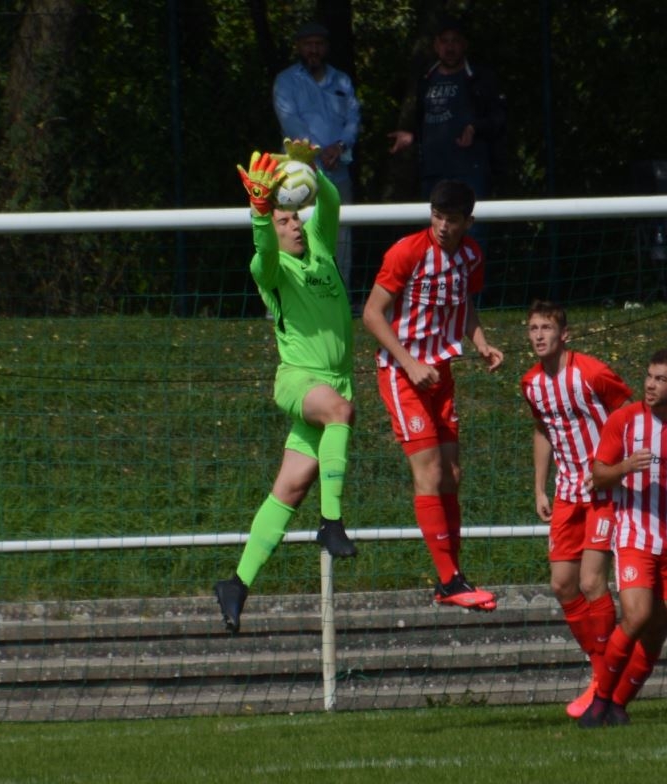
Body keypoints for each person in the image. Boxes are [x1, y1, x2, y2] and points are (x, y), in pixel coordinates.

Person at [215, 139, 359, 634]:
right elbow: (261, 247)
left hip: (335, 380)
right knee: (339, 412)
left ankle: (236, 583)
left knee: (290, 487)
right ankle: (331, 523)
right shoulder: (269, 268)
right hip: (299, 379)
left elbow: (331, 204)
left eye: (295, 217)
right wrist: (260, 213)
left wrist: (312, 169)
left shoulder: (319, 246)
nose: (294, 225)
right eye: (284, 221)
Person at [362, 179, 504, 610]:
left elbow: (464, 305)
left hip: (440, 373)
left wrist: (481, 342)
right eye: (437, 216)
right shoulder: (407, 251)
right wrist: (409, 363)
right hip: (402, 374)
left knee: (451, 475)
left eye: (452, 219)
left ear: (468, 222)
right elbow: (371, 314)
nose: (442, 226)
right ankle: (449, 581)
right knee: (428, 472)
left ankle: (452, 579)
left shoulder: (471, 255)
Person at [578, 348, 667, 728]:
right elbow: (598, 473)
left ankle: (617, 706)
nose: (650, 384)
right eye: (649, 376)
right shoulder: (624, 421)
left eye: (661, 379)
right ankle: (599, 700)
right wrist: (625, 467)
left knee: (658, 630)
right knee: (638, 615)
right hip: (635, 537)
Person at [521, 301, 634, 718]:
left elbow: (630, 415)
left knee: (591, 582)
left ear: (564, 334)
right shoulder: (531, 383)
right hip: (566, 494)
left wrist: (614, 469)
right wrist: (539, 487)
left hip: (602, 491)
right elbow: (542, 430)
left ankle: (603, 683)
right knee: (562, 584)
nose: (538, 335)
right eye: (533, 328)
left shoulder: (591, 372)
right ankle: (601, 670)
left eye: (546, 327)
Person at [273, 21, 361, 293]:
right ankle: (292, 297)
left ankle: (338, 296)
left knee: (340, 235)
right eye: (308, 44)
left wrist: (340, 146)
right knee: (293, 232)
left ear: (326, 47)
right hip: (298, 173)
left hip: (338, 172)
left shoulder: (342, 80)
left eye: (319, 44)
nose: (313, 49)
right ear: (299, 47)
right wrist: (320, 151)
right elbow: (290, 121)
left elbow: (353, 118)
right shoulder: (286, 81)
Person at [386, 14, 507, 202]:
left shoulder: (479, 78)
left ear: (464, 44)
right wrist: (413, 137)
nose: (449, 48)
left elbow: (498, 118)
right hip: (433, 173)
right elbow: (425, 120)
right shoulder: (425, 79)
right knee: (435, 221)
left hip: (470, 172)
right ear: (436, 45)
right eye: (444, 41)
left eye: (455, 41)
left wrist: (474, 128)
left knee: (471, 221)